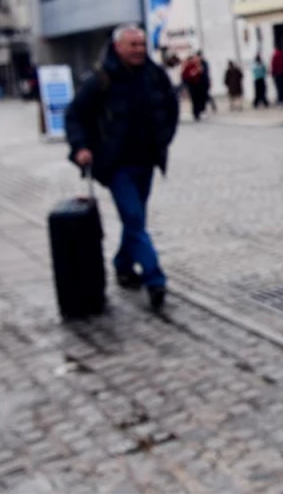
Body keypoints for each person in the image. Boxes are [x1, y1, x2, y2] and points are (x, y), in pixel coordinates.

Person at [64, 25, 179, 311]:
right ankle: (155, 279)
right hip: (116, 165)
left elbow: (171, 107)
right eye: (133, 45)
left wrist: (163, 139)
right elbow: (75, 115)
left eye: (141, 44)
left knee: (135, 219)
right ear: (118, 47)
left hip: (147, 161)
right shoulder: (101, 79)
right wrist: (81, 147)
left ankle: (123, 264)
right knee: (134, 218)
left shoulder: (154, 75)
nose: (139, 50)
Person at [181, 53, 207, 121]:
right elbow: (184, 76)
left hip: (200, 85)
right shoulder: (189, 66)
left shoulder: (200, 66)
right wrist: (192, 74)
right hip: (192, 85)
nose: (195, 60)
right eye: (194, 59)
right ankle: (196, 113)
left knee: (200, 99)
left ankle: (200, 111)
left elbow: (204, 75)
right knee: (194, 99)